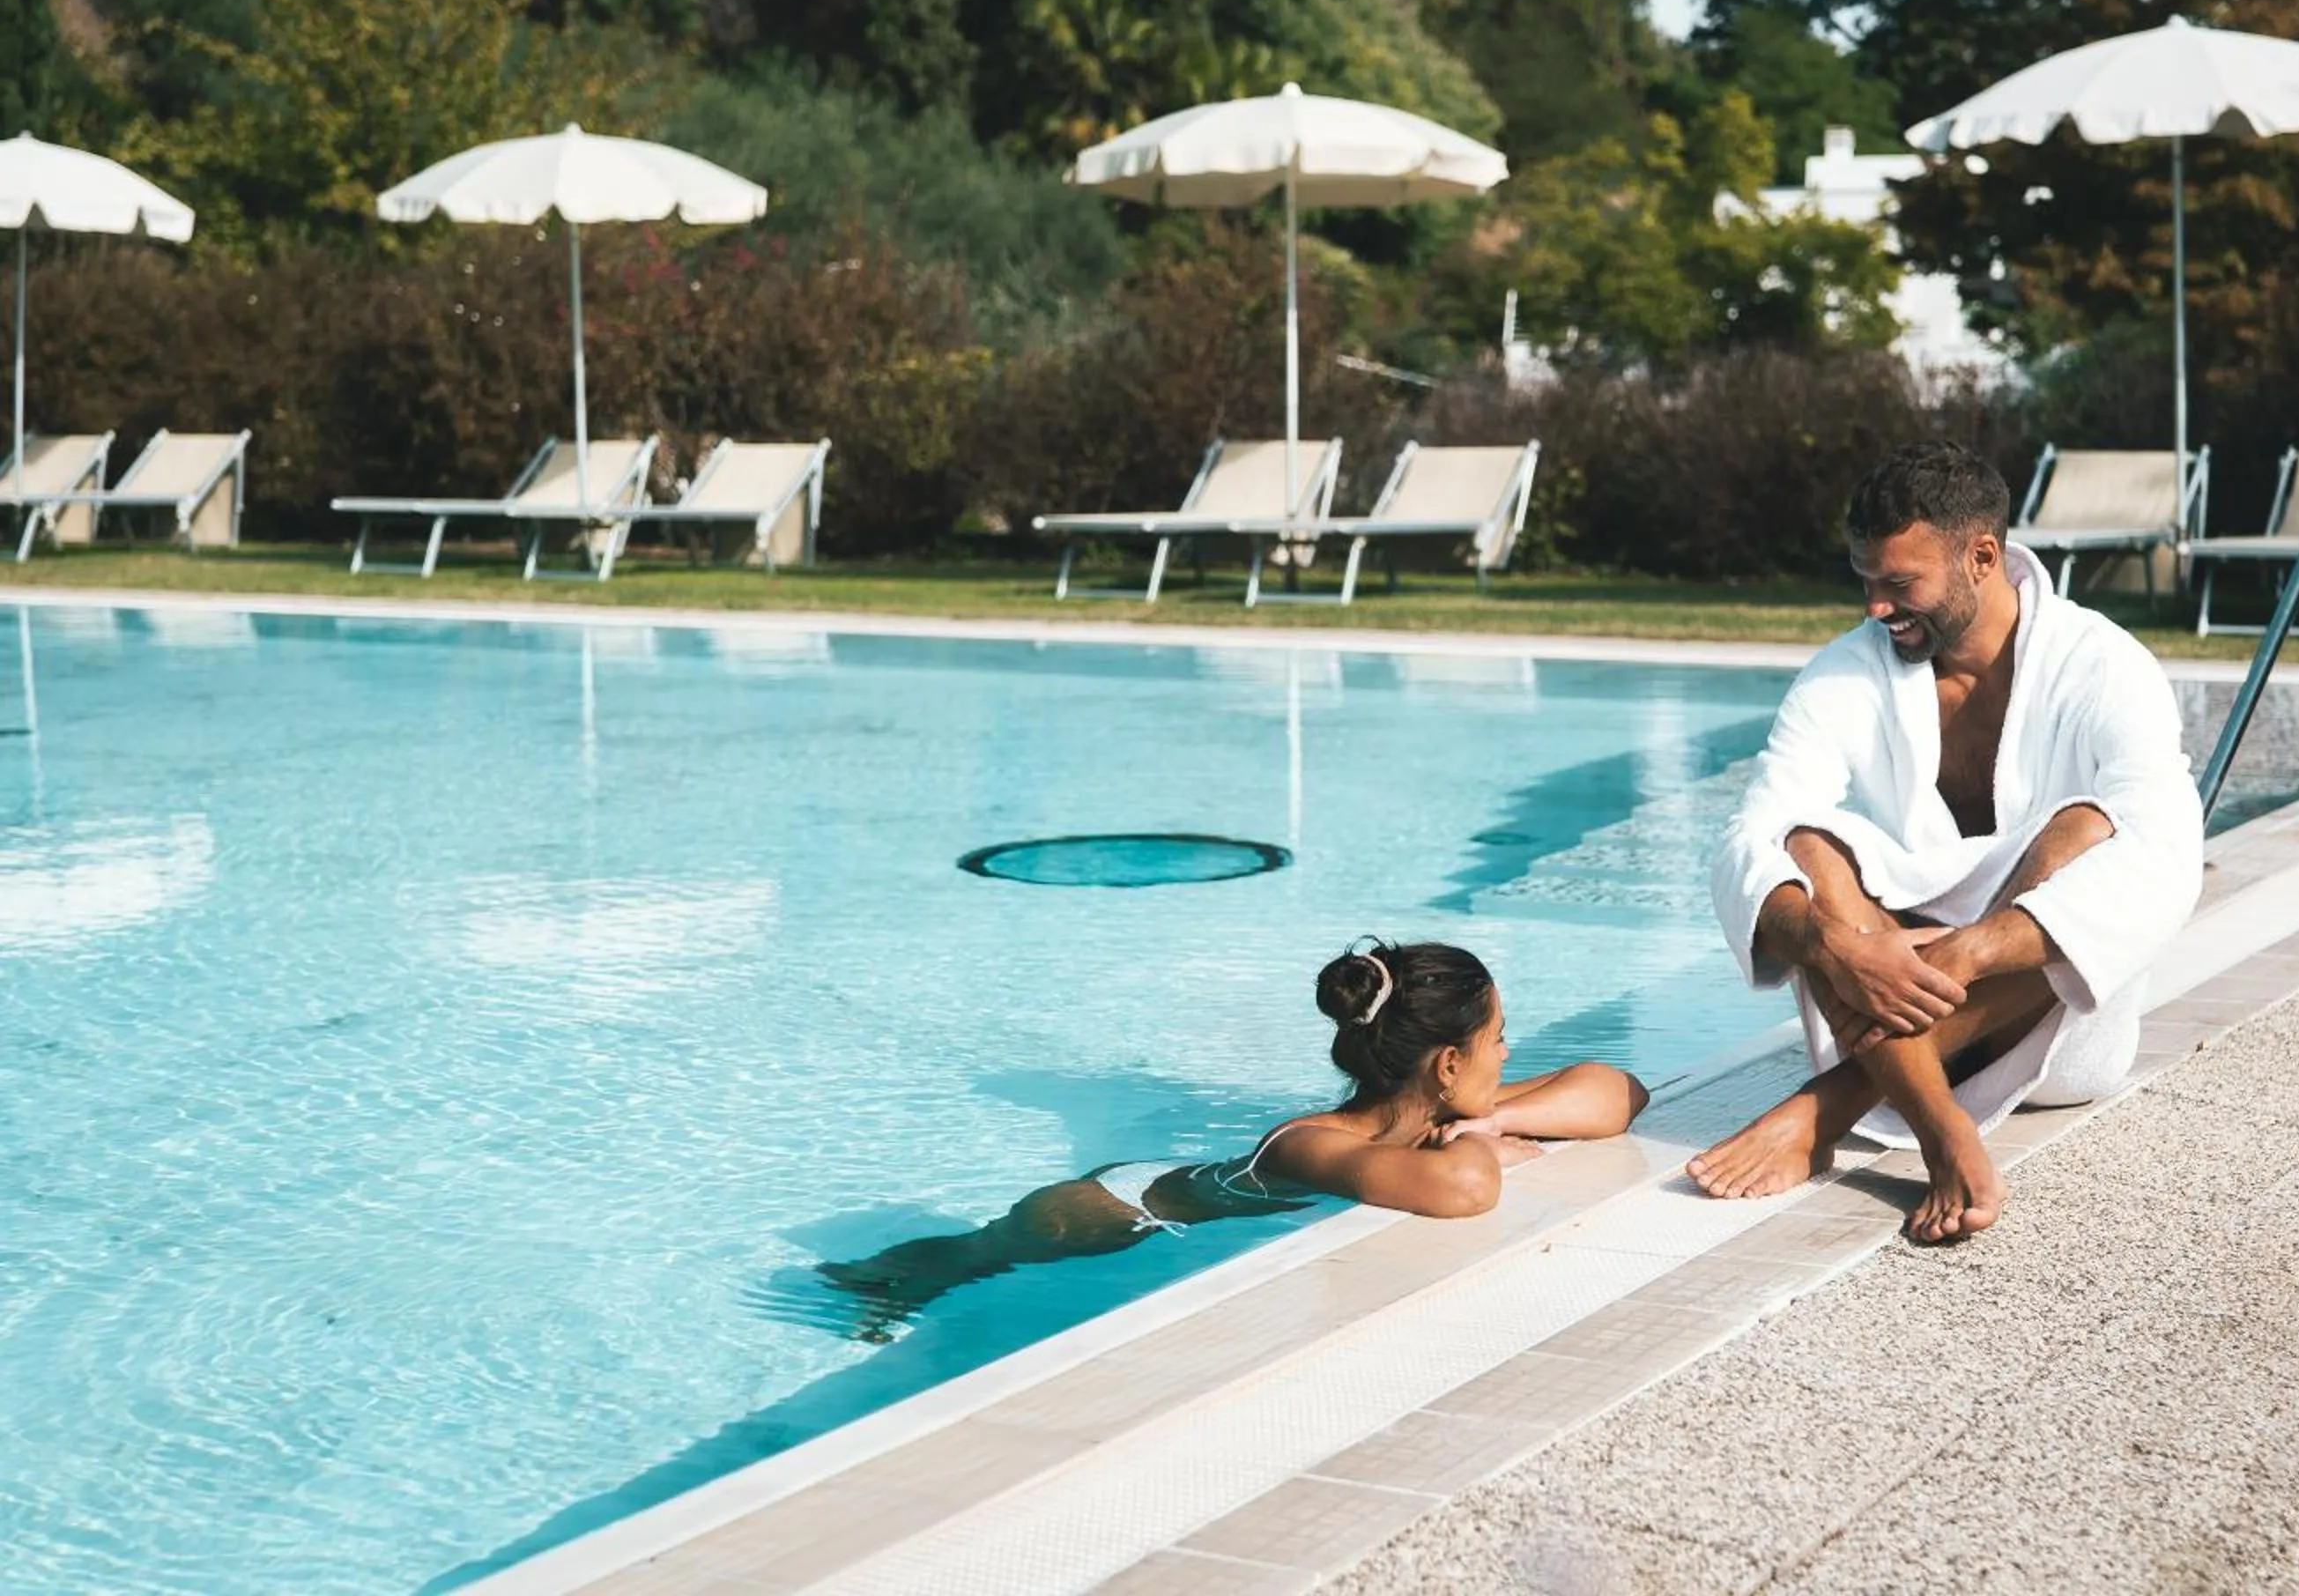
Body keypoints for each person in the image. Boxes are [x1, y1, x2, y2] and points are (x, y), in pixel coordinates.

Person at [1690, 442, 2203, 1241]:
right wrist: (1835, 948)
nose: (1875, 608)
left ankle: (1828, 1107)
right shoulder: (1845, 672)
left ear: (1983, 556)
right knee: (1803, 841)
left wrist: (1969, 953)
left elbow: (2167, 849)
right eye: (1864, 581)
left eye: (1899, 584)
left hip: (2052, 1034)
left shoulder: (2101, 663)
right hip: (1889, 979)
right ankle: (1946, 1133)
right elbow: (1749, 834)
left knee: (2090, 827)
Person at [816, 939, 1648, 1340]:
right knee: (980, 1258)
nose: (1509, 1054)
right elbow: (1466, 1193)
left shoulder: (1446, 1105)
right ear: (1449, 1062)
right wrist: (1476, 1141)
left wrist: (1490, 1118)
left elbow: (1617, 1090)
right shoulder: (1304, 1146)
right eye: (1500, 1038)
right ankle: (880, 1280)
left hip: (1164, 1194)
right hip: (1114, 1210)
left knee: (979, 1264)